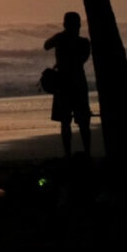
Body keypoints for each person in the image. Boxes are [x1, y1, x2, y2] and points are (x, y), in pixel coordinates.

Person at [44, 12, 92, 157]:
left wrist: (61, 35)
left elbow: (46, 45)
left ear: (65, 24)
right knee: (83, 122)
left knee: (65, 122)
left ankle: (68, 154)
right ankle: (87, 152)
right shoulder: (84, 43)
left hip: (63, 83)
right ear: (78, 26)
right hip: (78, 82)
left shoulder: (60, 39)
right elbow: (82, 59)